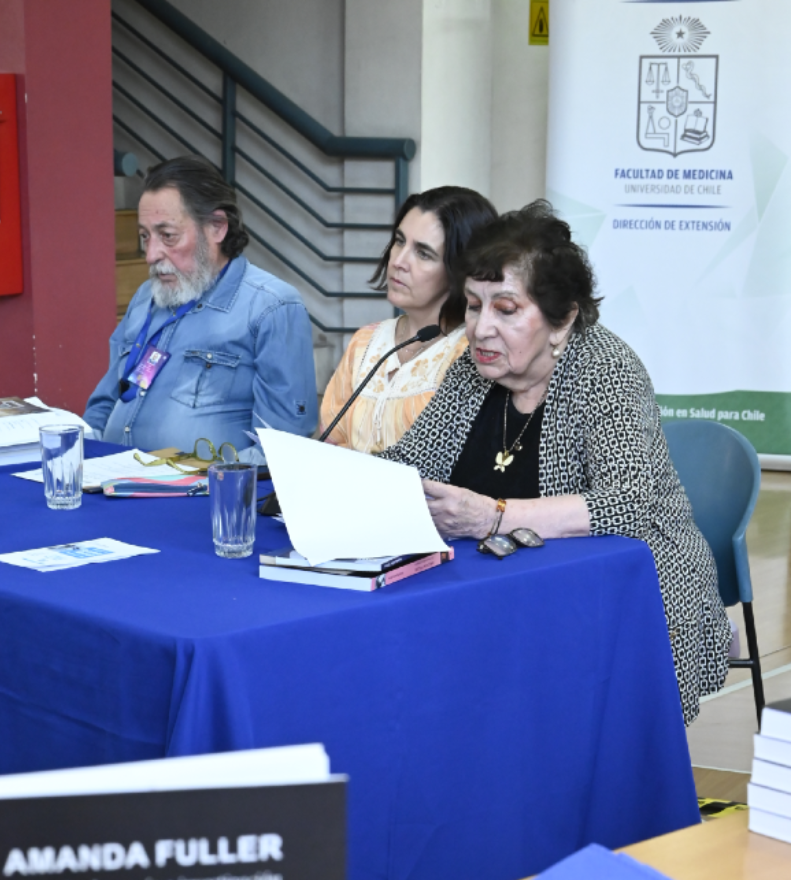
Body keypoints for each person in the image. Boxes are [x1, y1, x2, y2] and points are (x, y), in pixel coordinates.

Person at [378, 201, 729, 724]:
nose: (480, 329)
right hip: (502, 585)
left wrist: (493, 516)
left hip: (623, 592)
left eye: (506, 309)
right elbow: (410, 462)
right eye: (473, 306)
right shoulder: (474, 371)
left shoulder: (605, 369)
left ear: (562, 319)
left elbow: (625, 506)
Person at [85, 157, 317, 462]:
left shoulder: (271, 307)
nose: (151, 255)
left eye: (168, 236)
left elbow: (283, 449)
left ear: (217, 228)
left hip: (198, 499)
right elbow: (104, 405)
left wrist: (203, 484)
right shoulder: (146, 298)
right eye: (145, 237)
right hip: (111, 485)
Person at [320, 186, 496, 453]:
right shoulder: (365, 341)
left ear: (459, 269)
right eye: (399, 241)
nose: (399, 261)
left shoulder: (471, 351)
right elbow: (330, 444)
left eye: (423, 253)